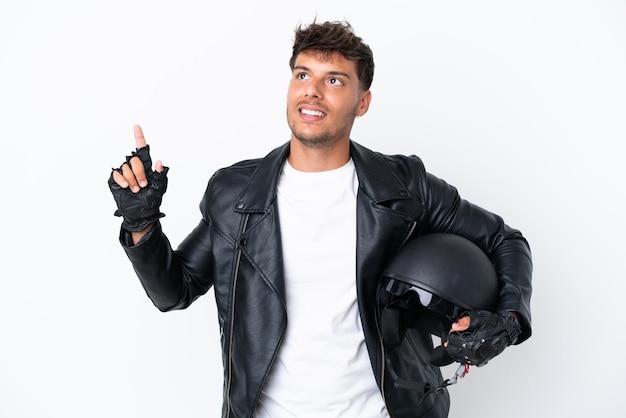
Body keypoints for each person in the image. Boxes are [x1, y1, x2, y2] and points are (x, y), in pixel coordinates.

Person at [109, 20, 532, 418]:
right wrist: (142, 224)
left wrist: (508, 321)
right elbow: (174, 291)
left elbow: (504, 240)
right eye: (302, 75)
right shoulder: (234, 194)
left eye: (334, 80)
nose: (312, 91)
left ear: (362, 102)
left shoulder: (405, 187)